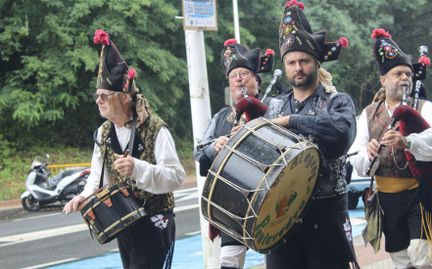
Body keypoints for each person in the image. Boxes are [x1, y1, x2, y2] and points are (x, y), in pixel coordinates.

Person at [63, 29, 186, 269]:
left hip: (155, 217)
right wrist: (84, 197)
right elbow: (97, 177)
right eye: (97, 95)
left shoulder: (155, 128)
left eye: (105, 96)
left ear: (124, 97)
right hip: (124, 220)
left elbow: (176, 176)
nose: (98, 101)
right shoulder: (104, 132)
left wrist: (138, 168)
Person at [262, 1, 358, 268]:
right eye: (291, 62)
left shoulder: (338, 101)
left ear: (316, 63)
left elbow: (340, 135)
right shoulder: (273, 105)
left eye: (304, 60)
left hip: (326, 215)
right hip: (281, 217)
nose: (298, 67)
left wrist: (291, 121)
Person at [349, 28, 432, 269]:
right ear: (383, 79)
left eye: (408, 73)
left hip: (418, 194)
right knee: (400, 259)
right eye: (398, 74)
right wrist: (369, 153)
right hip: (387, 198)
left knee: (422, 257)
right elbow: (356, 156)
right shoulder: (368, 114)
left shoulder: (425, 107)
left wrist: (409, 142)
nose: (405, 78)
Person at [193, 38, 274, 269]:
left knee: (278, 258)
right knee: (228, 262)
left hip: (269, 195)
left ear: (257, 80)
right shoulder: (220, 117)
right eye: (233, 75)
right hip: (232, 200)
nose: (238, 79)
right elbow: (199, 153)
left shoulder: (275, 107)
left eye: (244, 74)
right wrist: (214, 147)